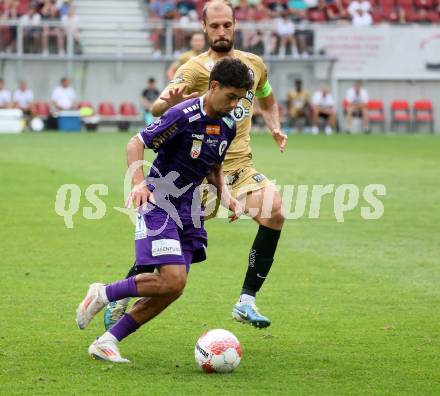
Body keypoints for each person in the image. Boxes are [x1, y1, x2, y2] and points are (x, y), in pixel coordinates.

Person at [103, 0, 287, 331]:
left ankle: (246, 301)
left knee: (275, 212)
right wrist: (168, 103)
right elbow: (162, 105)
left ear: (235, 25)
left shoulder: (253, 65)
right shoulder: (193, 68)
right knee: (168, 250)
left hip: (239, 167)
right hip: (196, 174)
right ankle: (123, 292)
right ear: (204, 28)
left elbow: (267, 96)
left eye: (226, 25)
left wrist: (274, 125)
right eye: (214, 26)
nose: (221, 31)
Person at [76, 57, 250, 363]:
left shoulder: (228, 123)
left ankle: (107, 341)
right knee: (171, 280)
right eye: (230, 96)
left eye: (239, 98)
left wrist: (227, 196)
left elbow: (214, 165)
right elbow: (136, 142)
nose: (234, 104)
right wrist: (139, 183)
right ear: (214, 86)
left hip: (191, 208)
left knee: (174, 288)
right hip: (160, 200)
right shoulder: (183, 115)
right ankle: (103, 293)